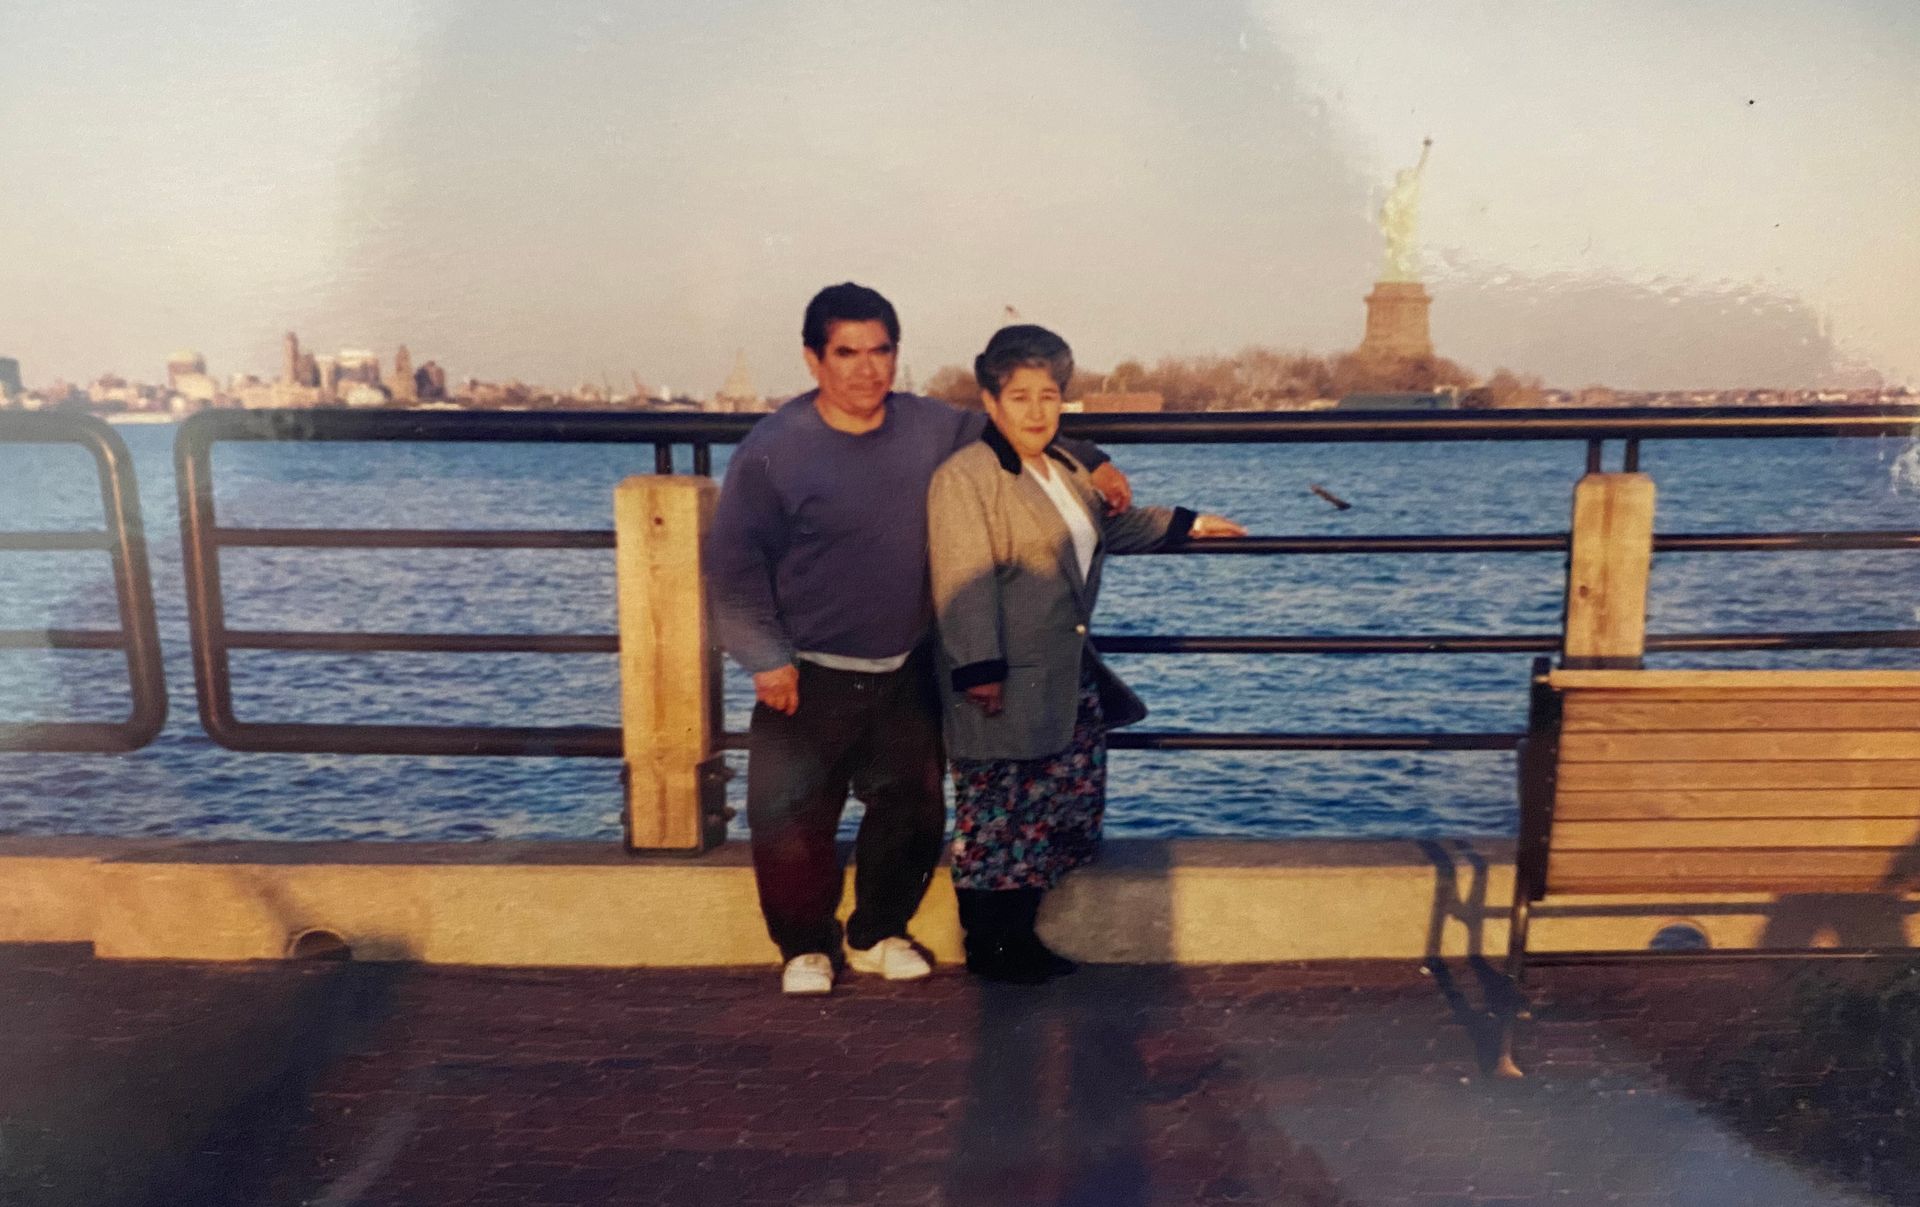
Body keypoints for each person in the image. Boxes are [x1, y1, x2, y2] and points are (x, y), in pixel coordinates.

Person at [704, 285, 1132, 996]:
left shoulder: (931, 426)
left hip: (907, 661)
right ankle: (804, 947)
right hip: (806, 667)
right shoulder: (774, 449)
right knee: (793, 815)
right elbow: (733, 563)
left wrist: (1095, 458)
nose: (866, 369)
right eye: (847, 353)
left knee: (911, 809)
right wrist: (765, 657)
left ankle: (877, 932)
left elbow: (1017, 430)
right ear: (813, 359)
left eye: (881, 351)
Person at [927, 324, 1244, 983]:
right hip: (1002, 677)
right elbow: (962, 580)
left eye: (1048, 396)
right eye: (1020, 397)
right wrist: (980, 671)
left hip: (1065, 676)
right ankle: (990, 946)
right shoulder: (966, 477)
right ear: (991, 402)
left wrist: (1188, 523)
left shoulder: (1066, 470)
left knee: (1047, 811)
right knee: (997, 817)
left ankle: (1021, 938)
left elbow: (1109, 528)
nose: (1036, 411)